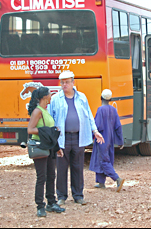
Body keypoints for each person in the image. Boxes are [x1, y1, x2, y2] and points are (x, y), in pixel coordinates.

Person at [48, 71, 105, 206]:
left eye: (67, 82)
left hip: (79, 137)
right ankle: (61, 196)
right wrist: (52, 138)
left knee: (78, 167)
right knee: (61, 168)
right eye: (62, 82)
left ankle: (78, 195)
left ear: (73, 82)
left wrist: (95, 130)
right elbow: (50, 118)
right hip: (63, 138)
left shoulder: (82, 97)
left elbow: (89, 115)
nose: (64, 85)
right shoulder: (56, 99)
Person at [27, 87, 65, 217]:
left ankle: (51, 202)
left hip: (49, 147)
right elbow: (30, 130)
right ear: (44, 97)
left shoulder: (46, 111)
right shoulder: (38, 111)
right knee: (41, 177)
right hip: (39, 147)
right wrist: (48, 131)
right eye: (49, 94)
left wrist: (57, 147)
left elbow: (50, 132)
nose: (51, 96)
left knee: (51, 176)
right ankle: (40, 206)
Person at [89, 89, 125, 192]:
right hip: (110, 139)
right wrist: (120, 141)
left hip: (101, 139)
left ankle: (117, 179)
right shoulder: (113, 110)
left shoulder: (100, 110)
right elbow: (118, 126)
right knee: (102, 158)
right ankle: (101, 183)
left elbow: (97, 126)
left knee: (103, 160)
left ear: (101, 98)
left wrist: (91, 137)